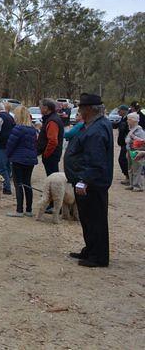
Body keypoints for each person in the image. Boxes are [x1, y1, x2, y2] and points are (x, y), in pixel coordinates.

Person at [64, 93, 113, 268]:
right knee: (87, 219)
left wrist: (84, 180)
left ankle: (98, 257)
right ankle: (91, 249)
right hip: (87, 180)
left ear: (90, 110)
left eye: (81, 108)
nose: (79, 111)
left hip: (92, 183)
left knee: (95, 220)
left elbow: (96, 159)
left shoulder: (97, 130)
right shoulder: (93, 125)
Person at [5, 106, 38, 217]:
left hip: (18, 159)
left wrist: (7, 155)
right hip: (30, 160)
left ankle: (19, 210)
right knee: (27, 184)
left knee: (18, 184)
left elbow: (10, 145)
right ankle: (29, 209)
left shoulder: (17, 129)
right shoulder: (32, 129)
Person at [37, 98, 64, 176]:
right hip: (52, 155)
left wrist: (46, 154)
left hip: (51, 156)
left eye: (40, 107)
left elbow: (53, 141)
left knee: (53, 178)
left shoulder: (52, 121)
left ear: (46, 108)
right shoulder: (51, 118)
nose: (39, 109)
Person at [125, 112, 145, 192]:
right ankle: (132, 184)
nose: (127, 121)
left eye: (129, 119)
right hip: (130, 150)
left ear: (134, 120)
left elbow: (142, 141)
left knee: (137, 168)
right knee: (130, 168)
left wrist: (134, 137)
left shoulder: (139, 130)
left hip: (137, 151)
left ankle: (138, 186)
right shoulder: (131, 129)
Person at [117, 104, 131, 184]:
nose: (118, 111)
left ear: (124, 111)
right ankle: (128, 177)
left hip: (127, 143)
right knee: (123, 160)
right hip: (123, 143)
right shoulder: (123, 118)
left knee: (123, 160)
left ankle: (128, 177)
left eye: (120, 110)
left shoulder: (128, 119)